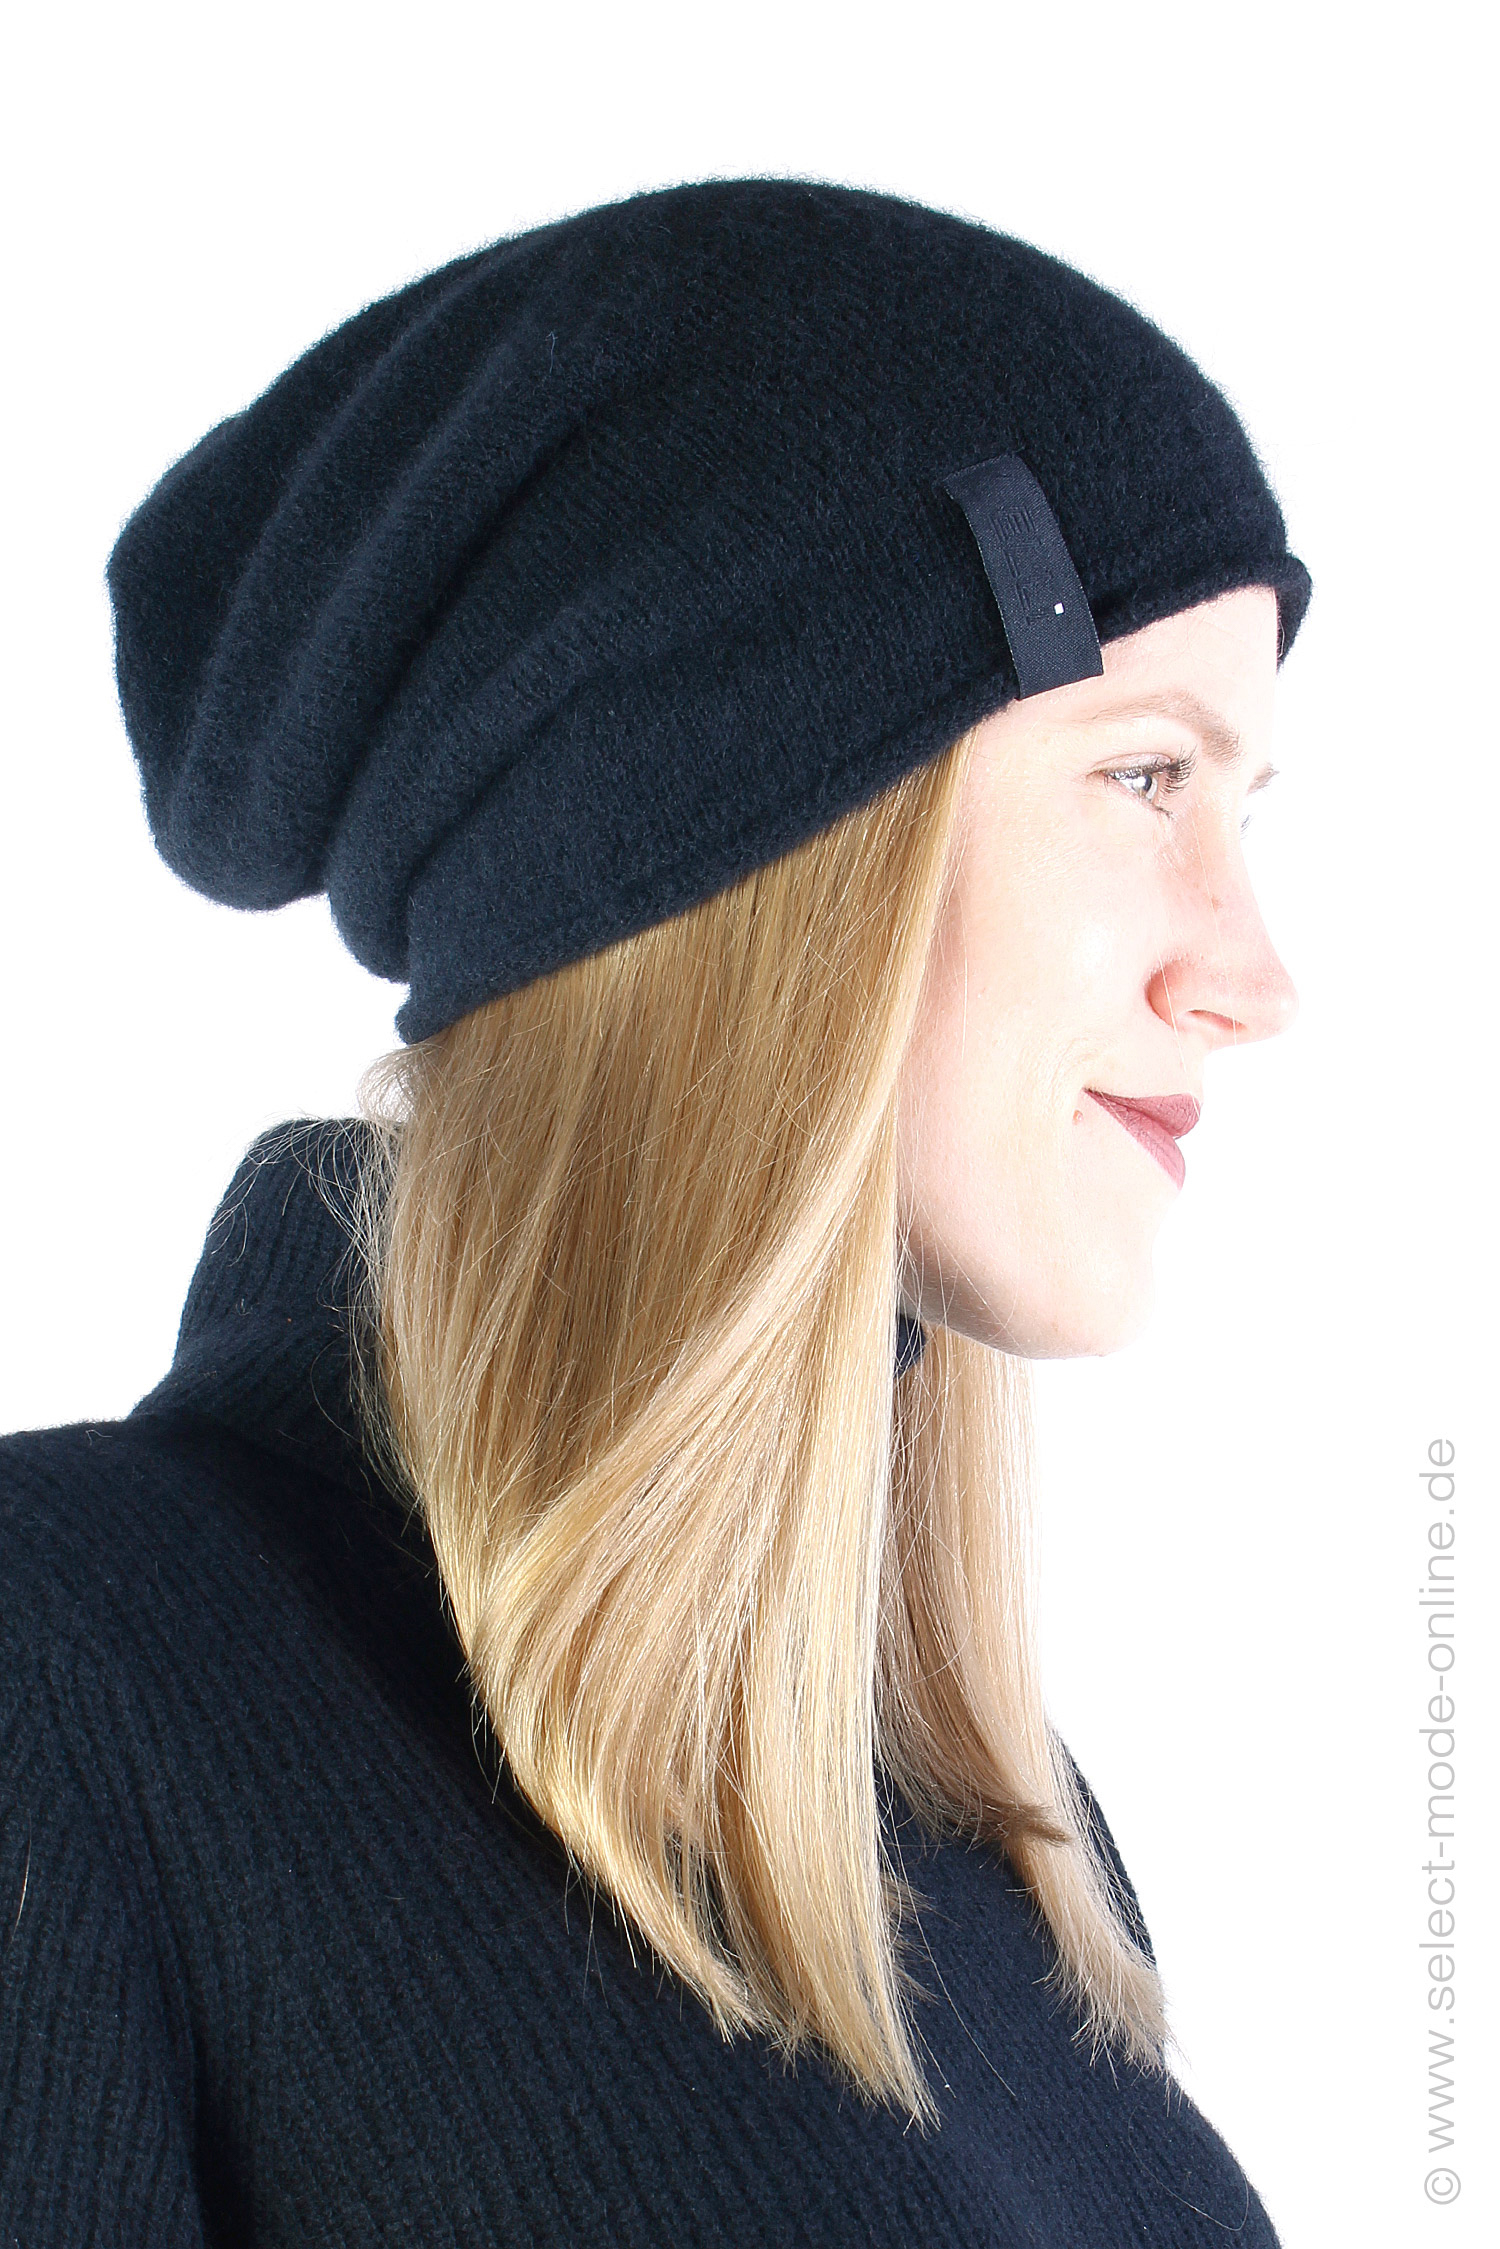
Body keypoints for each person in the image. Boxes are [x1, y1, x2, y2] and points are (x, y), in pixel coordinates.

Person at [0, 177, 1308, 2243]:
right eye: (1146, 776)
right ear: (757, 818)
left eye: (1247, 806)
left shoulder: (983, 1827)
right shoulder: (70, 1667)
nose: (1255, 974)